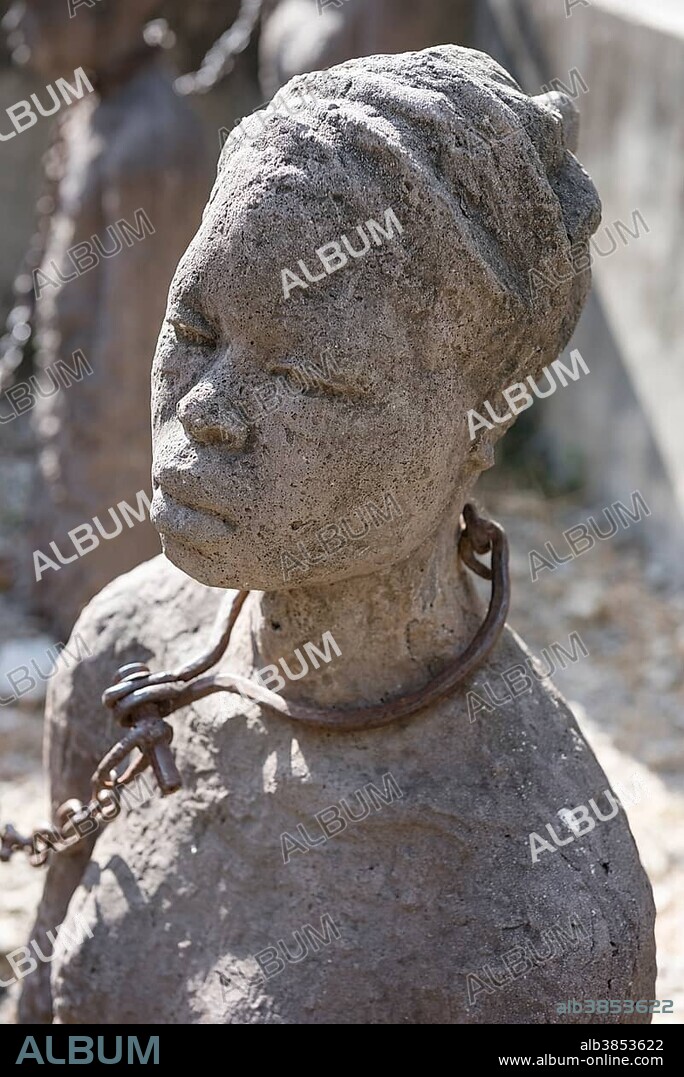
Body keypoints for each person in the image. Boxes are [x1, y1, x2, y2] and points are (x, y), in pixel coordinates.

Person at [22, 45, 654, 1024]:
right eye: (195, 328)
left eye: (311, 381)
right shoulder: (123, 656)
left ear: (481, 422)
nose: (206, 412)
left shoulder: (543, 907)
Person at [2, 0, 209, 636]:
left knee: (108, 623)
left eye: (36, 9)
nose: (17, 28)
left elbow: (138, 340)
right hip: (74, 428)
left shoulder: (149, 142)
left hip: (112, 447)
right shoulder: (93, 109)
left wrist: (98, 437)